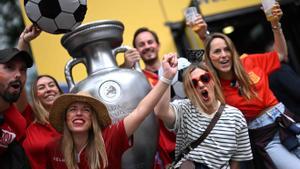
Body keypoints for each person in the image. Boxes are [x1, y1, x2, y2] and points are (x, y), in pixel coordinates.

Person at [190, 2, 300, 168]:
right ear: (209, 58)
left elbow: (281, 54)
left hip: (285, 119)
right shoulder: (214, 85)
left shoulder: (249, 61)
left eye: (227, 50)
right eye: (217, 52)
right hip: (265, 137)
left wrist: (275, 23)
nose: (223, 55)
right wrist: (203, 35)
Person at [45, 53, 177, 169]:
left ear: (93, 118)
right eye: (73, 109)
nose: (79, 113)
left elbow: (140, 111)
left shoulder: (109, 138)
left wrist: (166, 77)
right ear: (65, 117)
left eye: (86, 109)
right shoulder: (54, 149)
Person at [154, 61, 253, 169]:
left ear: (214, 80)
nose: (200, 84)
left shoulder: (236, 117)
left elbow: (237, 161)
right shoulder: (183, 109)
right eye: (194, 83)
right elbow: (160, 111)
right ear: (190, 90)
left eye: (205, 78)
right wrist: (167, 75)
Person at [121, 27, 176, 168]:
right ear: (136, 50)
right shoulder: (136, 79)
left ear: (157, 45)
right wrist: (126, 67)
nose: (147, 47)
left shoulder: (177, 69)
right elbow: (118, 91)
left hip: (187, 137)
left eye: (150, 42)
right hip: (160, 147)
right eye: (141, 44)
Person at [22, 75, 63, 169]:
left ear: (59, 91)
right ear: (35, 96)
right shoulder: (28, 119)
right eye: (41, 87)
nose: (48, 89)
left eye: (51, 85)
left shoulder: (72, 121)